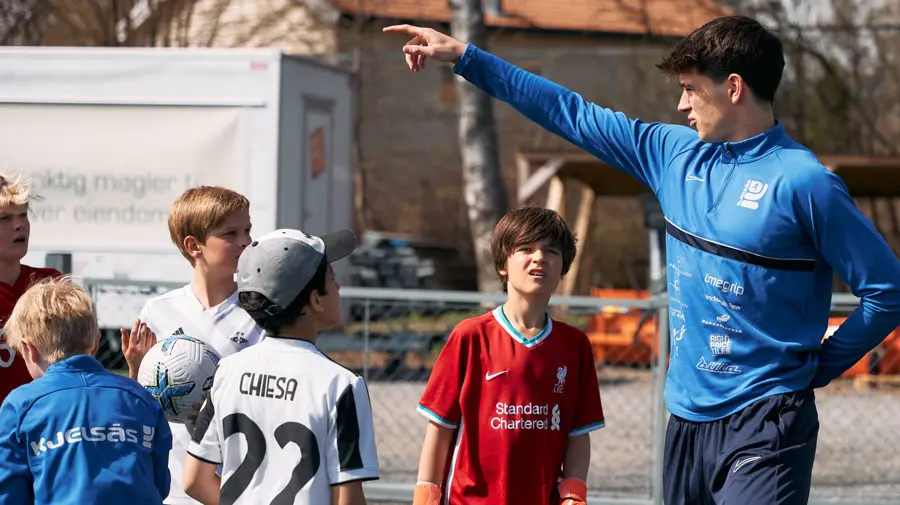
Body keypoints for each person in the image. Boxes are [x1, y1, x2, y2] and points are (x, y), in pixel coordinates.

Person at [383, 14, 900, 505]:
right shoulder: (674, 155)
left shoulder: (805, 183)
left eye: (691, 89)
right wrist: (468, 58)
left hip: (767, 418)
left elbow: (887, 291)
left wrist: (816, 369)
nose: (681, 106)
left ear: (734, 88)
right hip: (686, 421)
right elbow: (572, 113)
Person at [412, 207, 605, 505]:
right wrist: (426, 496)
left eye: (551, 251)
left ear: (563, 266)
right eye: (526, 249)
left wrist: (574, 494)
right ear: (503, 264)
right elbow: (439, 428)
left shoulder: (575, 344)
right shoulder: (470, 336)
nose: (539, 257)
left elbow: (578, 433)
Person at [183, 228, 379, 505]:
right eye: (332, 279)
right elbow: (347, 499)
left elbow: (194, 480)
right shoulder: (341, 384)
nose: (338, 288)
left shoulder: (227, 371)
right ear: (314, 300)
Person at [123, 186, 265, 505]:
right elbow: (139, 409)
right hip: (171, 487)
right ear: (193, 246)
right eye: (231, 233)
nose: (246, 241)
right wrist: (136, 369)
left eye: (247, 230)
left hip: (238, 487)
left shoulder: (260, 316)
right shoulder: (157, 312)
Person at [0, 277, 172, 505]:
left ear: (30, 349)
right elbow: (159, 483)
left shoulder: (20, 405)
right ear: (96, 342)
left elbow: (9, 493)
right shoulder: (140, 397)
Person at [0, 174, 62, 404]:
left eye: (23, 215)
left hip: (46, 426)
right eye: (4, 218)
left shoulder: (51, 285)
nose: (19, 225)